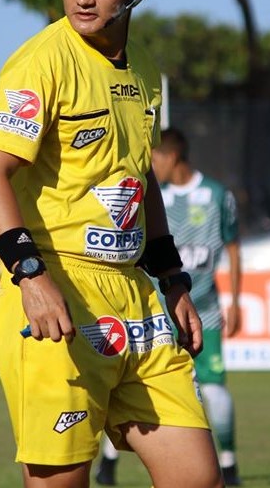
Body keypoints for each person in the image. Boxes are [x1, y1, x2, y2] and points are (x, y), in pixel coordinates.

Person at [0, 0, 224, 488]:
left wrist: (172, 280)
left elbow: (141, 178)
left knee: (199, 478)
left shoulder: (146, 69)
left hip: (134, 294)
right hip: (57, 287)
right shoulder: (41, 62)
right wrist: (30, 276)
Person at [95, 128, 245, 486]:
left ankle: (228, 464)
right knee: (132, 388)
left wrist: (235, 301)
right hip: (153, 311)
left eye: (154, 157)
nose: (148, 164)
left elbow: (233, 247)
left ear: (172, 156)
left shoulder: (217, 195)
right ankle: (108, 464)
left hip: (204, 309)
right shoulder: (149, 194)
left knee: (213, 388)